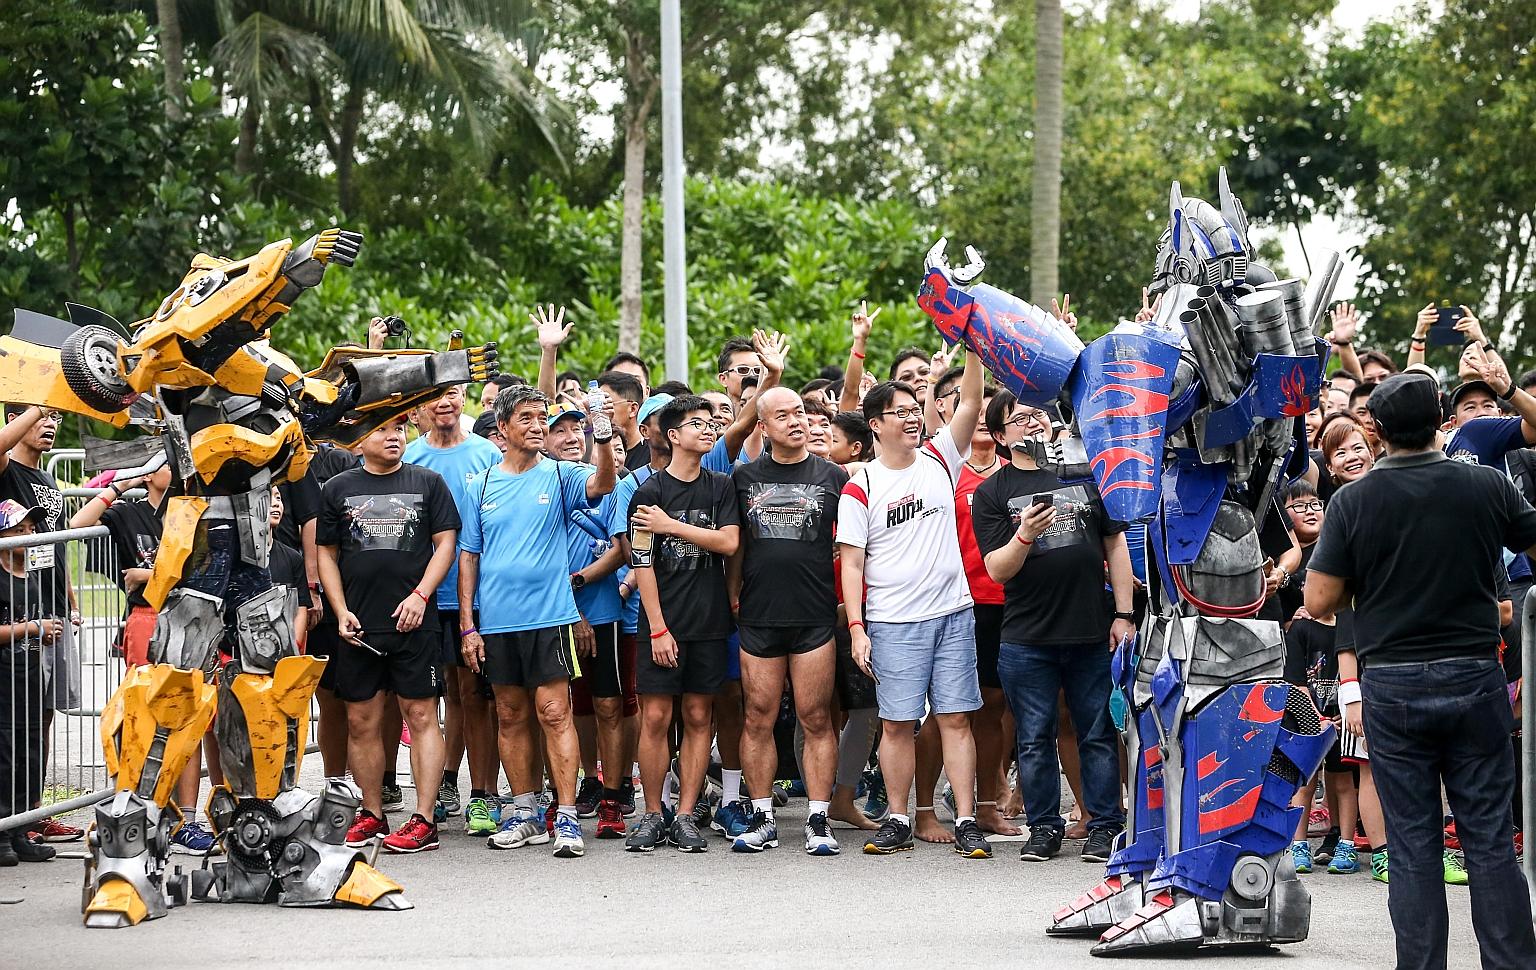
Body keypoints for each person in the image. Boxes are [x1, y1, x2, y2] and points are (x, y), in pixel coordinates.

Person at [1305, 372, 1536, 970]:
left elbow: (1320, 600)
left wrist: (1370, 580)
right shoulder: (1486, 484)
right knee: (1489, 841)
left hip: (1394, 682)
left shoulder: (1352, 501)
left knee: (1412, 846)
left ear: (1376, 431)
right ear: (1441, 420)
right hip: (1474, 675)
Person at [836, 349, 993, 859]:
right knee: (897, 723)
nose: (910, 418)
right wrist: (857, 628)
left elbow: (971, 401)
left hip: (953, 613)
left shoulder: (940, 456)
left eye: (914, 409)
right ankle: (899, 819)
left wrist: (973, 344)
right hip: (893, 622)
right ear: (875, 424)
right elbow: (852, 564)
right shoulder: (860, 485)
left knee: (955, 718)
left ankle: (966, 820)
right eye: (899, 412)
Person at [971, 389, 1132, 863]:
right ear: (1001, 437)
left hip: (1091, 630)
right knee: (1034, 737)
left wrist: (1123, 614)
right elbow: (997, 569)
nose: (1033, 422)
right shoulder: (992, 493)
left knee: (1097, 733)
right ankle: (1044, 827)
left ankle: (1105, 825)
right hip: (1027, 638)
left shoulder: (1084, 475)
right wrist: (1024, 534)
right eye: (1020, 419)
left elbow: (1115, 545)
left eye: (1037, 414)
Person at [458, 384, 617, 859]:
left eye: (540, 417)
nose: (536, 426)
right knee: (509, 715)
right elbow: (469, 556)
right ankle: (525, 812)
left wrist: (602, 435)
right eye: (525, 418)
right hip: (497, 623)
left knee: (554, 713)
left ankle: (565, 815)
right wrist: (468, 625)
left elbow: (603, 485)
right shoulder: (479, 485)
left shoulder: (561, 474)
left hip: (551, 618)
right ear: (502, 427)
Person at [317, 415, 461, 855]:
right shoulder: (337, 488)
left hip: (415, 622)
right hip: (359, 626)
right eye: (382, 429)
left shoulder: (428, 482)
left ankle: (425, 819)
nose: (393, 436)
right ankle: (372, 812)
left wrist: (421, 595)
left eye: (399, 429)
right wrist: (339, 610)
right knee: (361, 720)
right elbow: (326, 553)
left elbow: (446, 543)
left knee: (421, 715)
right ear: (362, 439)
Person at [728, 387, 848, 855]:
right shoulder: (743, 478)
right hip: (759, 614)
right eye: (783, 415)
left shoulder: (833, 475)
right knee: (757, 716)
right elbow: (736, 545)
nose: (796, 421)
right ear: (763, 427)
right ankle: (762, 817)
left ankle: (818, 818)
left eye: (799, 412)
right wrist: (732, 594)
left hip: (814, 613)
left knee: (815, 716)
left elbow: (852, 544)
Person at [624, 396, 742, 853]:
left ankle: (687, 815)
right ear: (673, 436)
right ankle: (654, 813)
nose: (708, 429)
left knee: (698, 716)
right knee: (655, 717)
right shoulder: (648, 492)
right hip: (661, 622)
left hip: (709, 622)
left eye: (711, 423)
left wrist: (672, 526)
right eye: (697, 423)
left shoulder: (720, 487)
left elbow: (728, 543)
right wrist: (657, 628)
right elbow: (642, 562)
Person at [401, 383, 504, 835]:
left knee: (474, 695)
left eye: (454, 393)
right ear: (421, 403)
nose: (444, 402)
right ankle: (441, 785)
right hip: (423, 595)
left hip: (476, 597)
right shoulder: (409, 456)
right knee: (432, 698)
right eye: (435, 395)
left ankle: (483, 793)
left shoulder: (486, 453)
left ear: (465, 398)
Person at [544, 400, 633, 839]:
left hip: (602, 611)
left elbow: (621, 550)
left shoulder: (608, 483)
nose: (570, 437)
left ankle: (613, 797)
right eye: (558, 430)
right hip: (550, 614)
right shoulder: (543, 483)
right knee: (562, 707)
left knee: (608, 704)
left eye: (576, 429)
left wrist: (578, 582)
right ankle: (581, 784)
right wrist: (570, 606)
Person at [0, 404, 81, 844]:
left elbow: (59, 544)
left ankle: (32, 812)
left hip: (53, 610)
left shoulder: (48, 481)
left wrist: (70, 598)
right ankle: (11, 817)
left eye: (55, 418)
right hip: (18, 612)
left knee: (41, 716)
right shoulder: (7, 469)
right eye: (42, 417)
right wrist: (34, 402)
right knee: (12, 723)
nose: (49, 424)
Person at [0, 500, 62, 865]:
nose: (28, 536)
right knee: (5, 755)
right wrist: (32, 628)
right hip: (4, 682)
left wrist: (45, 633)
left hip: (30, 679)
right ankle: (2, 832)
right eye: (18, 530)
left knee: (30, 752)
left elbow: (33, 627)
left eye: (31, 530)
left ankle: (21, 829)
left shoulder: (32, 578)